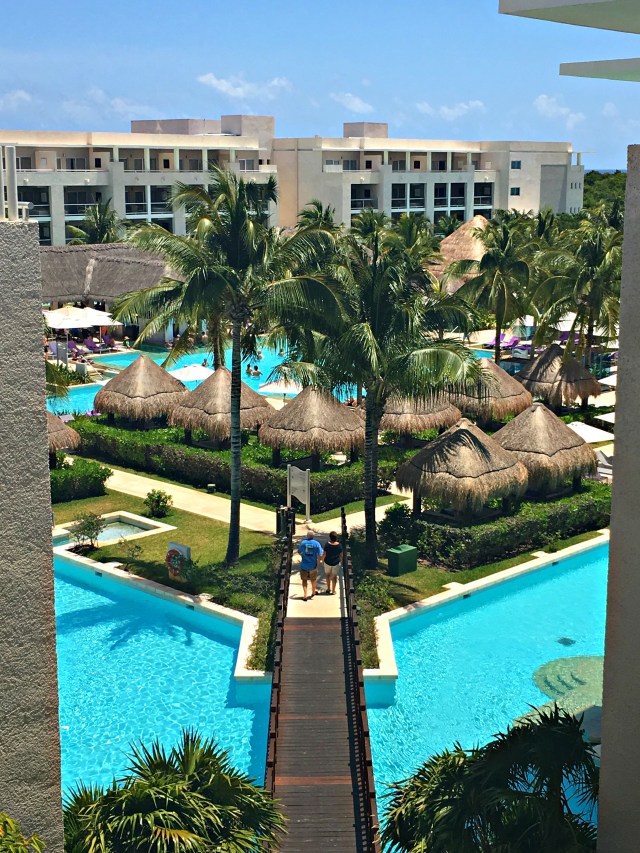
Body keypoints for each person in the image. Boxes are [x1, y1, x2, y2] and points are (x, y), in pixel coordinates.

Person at [296, 531, 324, 601]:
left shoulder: (303, 543)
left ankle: (305, 595)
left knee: (304, 580)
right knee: (313, 580)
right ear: (313, 536)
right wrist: (319, 562)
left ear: (307, 536)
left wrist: (302, 555)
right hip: (313, 565)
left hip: (304, 565)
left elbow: (299, 551)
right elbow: (320, 554)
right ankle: (313, 592)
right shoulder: (316, 543)